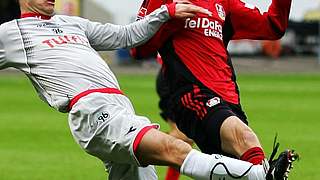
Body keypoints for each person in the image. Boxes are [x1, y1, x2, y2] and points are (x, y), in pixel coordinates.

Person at [0, 0, 287, 180]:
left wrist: (165, 12)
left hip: (121, 109)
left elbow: (126, 36)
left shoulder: (73, 23)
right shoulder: (11, 33)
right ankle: (259, 175)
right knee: (174, 148)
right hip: (93, 114)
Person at [132, 0, 298, 179]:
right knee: (245, 139)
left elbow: (273, 26)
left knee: (242, 169)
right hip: (192, 92)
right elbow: (138, 48)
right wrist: (169, 18)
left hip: (229, 99)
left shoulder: (225, 3)